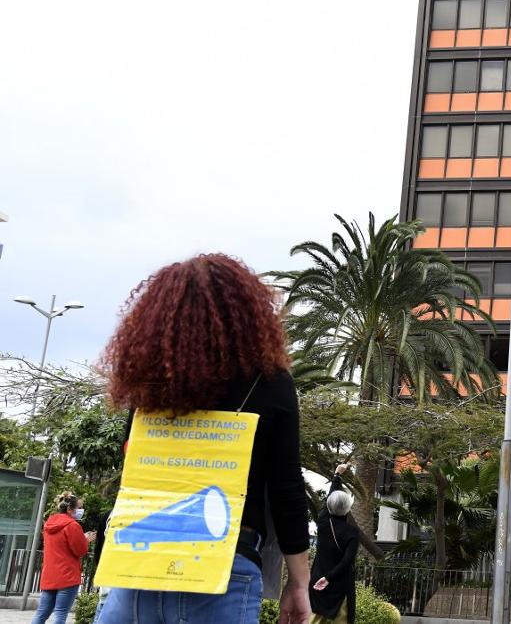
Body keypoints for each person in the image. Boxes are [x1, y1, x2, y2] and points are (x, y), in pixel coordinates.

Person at [96, 254, 312, 624]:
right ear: (248, 315)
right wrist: (298, 583)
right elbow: (286, 490)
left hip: (136, 574)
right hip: (225, 567)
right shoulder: (271, 384)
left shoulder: (150, 388)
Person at [32, 492, 94, 624]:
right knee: (60, 613)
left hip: (49, 575)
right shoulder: (73, 526)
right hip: (68, 576)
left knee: (41, 613)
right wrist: (86, 540)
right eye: (79, 507)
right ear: (70, 509)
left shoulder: (49, 524)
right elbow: (80, 551)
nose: (80, 511)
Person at [310, 464, 359, 624]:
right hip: (340, 584)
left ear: (329, 506)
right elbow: (347, 561)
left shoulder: (323, 522)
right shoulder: (351, 532)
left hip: (318, 580)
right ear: (347, 508)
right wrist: (330, 578)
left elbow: (330, 498)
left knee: (315, 618)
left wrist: (337, 475)